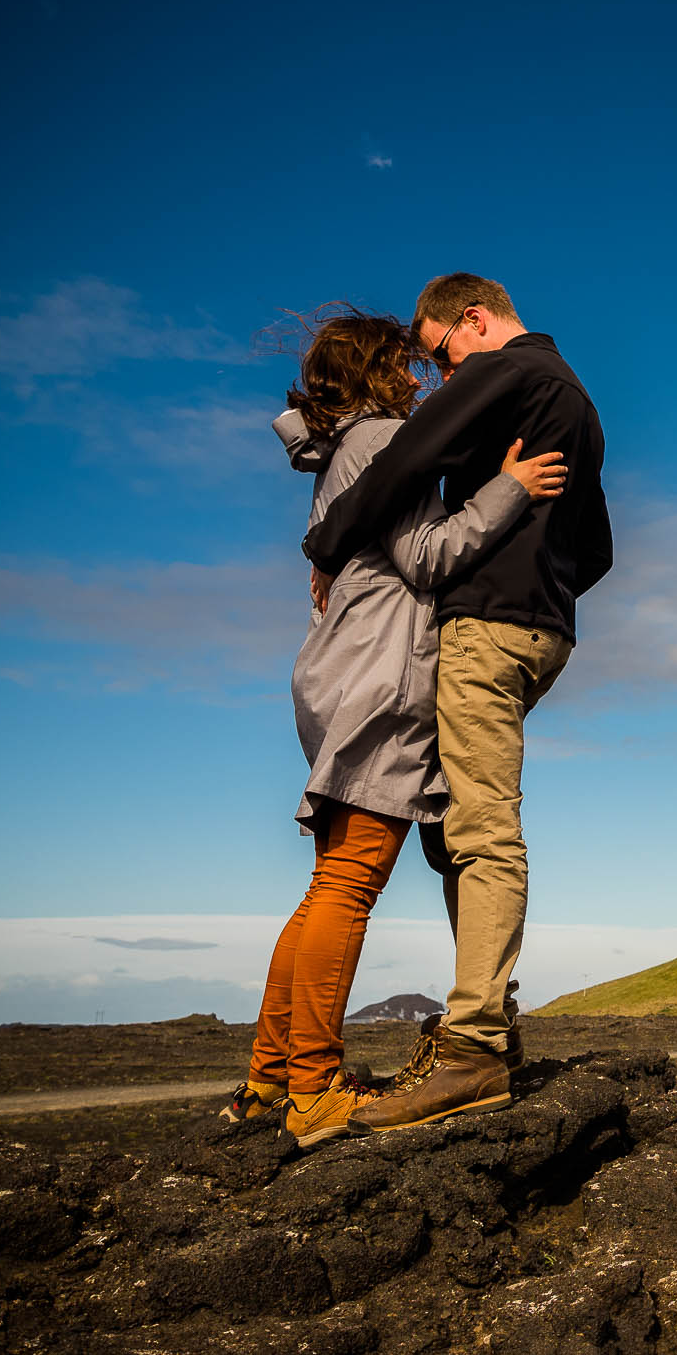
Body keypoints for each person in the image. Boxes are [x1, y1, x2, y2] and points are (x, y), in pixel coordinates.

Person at [219, 306, 566, 1147]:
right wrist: (510, 489)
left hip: (338, 674)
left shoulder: (340, 449)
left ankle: (268, 1079)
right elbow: (430, 557)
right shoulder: (377, 440)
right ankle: (313, 1093)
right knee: (351, 881)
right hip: (380, 678)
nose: (420, 381)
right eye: (407, 367)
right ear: (379, 370)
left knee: (326, 884)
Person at [302, 272, 611, 1134]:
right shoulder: (577, 403)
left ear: (472, 321)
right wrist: (544, 585)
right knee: (452, 831)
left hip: (485, 629)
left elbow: (401, 459)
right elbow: (600, 548)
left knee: (479, 831)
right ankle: (489, 1024)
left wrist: (323, 542)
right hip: (546, 631)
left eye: (439, 356)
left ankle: (473, 1050)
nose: (437, 379)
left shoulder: (505, 371)